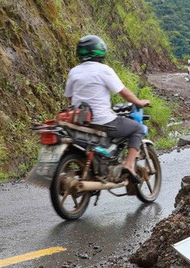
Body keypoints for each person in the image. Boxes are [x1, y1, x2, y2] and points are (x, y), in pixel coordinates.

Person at [64, 35, 150, 182]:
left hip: (80, 122)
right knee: (136, 128)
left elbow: (70, 97)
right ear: (99, 51)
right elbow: (123, 92)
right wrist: (139, 102)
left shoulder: (74, 71)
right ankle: (129, 165)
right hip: (103, 122)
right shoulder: (104, 70)